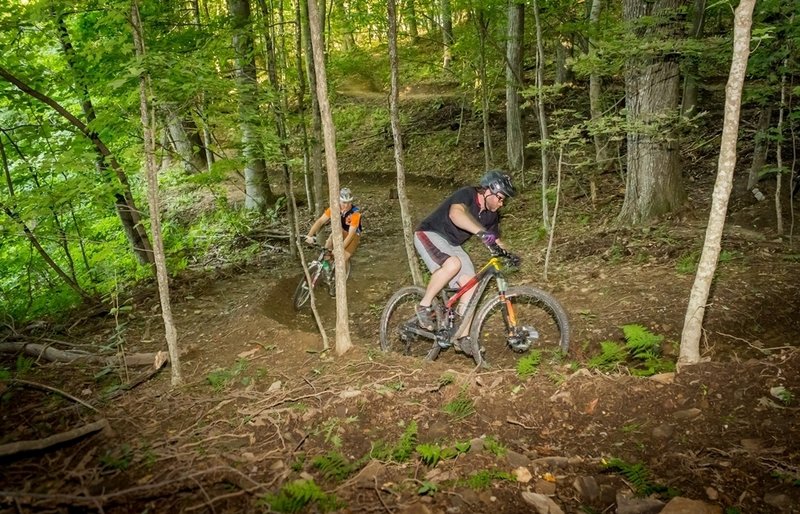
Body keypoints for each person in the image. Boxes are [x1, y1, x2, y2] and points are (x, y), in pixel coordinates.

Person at [413, 170, 517, 356]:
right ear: (489, 191)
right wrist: (482, 234)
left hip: (452, 244)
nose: (501, 203)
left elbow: (496, 240)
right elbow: (456, 215)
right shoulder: (467, 194)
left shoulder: (491, 216)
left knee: (471, 284)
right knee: (453, 264)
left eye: (504, 200)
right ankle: (424, 305)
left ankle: (462, 336)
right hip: (429, 234)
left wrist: (509, 253)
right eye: (500, 198)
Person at [304, 188, 362, 272]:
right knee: (326, 251)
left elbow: (351, 235)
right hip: (340, 231)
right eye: (344, 202)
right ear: (339, 201)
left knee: (342, 259)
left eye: (349, 202)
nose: (346, 205)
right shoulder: (334, 208)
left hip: (353, 235)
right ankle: (327, 269)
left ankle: (343, 276)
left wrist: (340, 248)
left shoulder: (355, 213)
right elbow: (320, 221)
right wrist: (309, 235)